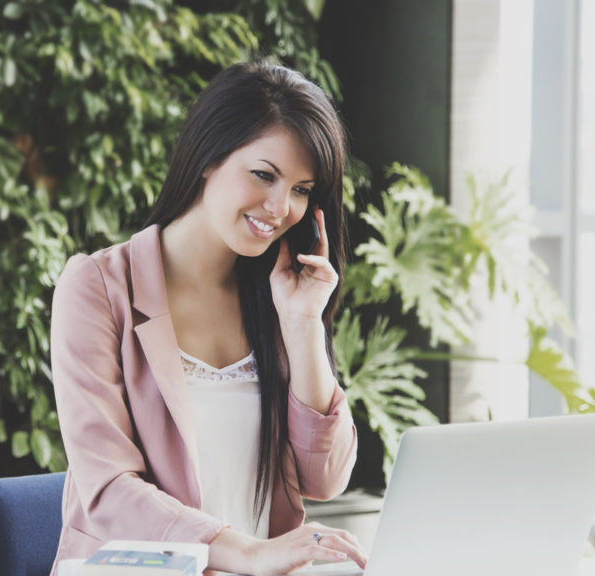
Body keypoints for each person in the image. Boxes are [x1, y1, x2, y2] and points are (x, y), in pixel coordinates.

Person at [49, 58, 366, 576]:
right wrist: (249, 554)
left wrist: (304, 325)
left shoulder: (279, 295)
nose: (281, 206)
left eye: (302, 189)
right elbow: (106, 489)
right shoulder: (99, 287)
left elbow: (325, 478)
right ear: (207, 158)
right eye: (264, 175)